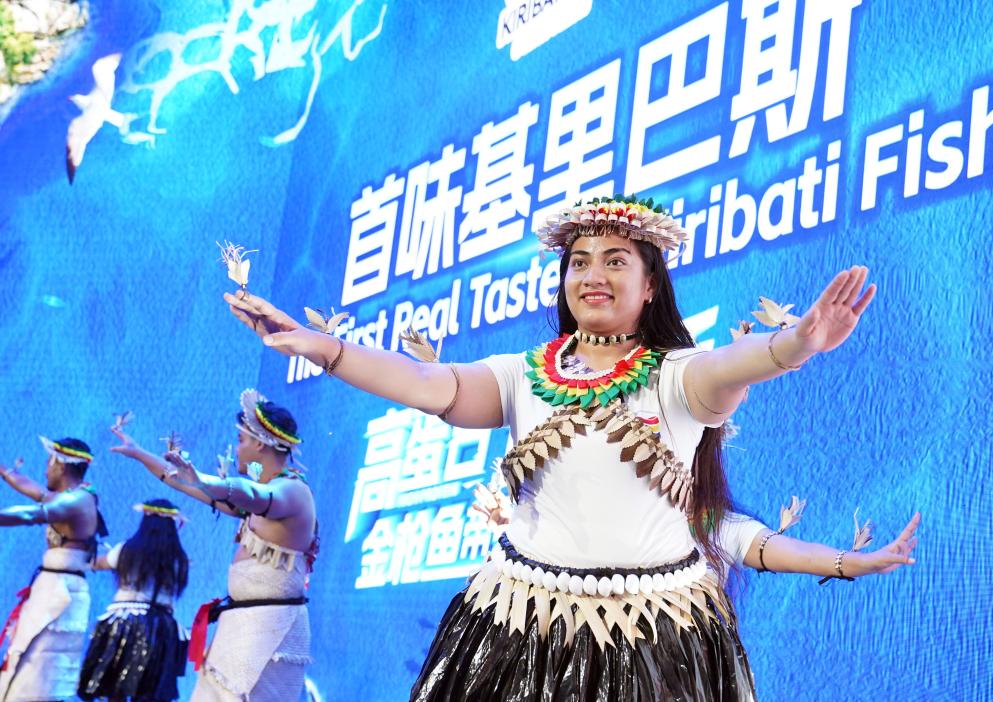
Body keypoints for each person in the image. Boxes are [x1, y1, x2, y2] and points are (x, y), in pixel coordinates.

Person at [222, 196, 921, 701]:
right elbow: (429, 385)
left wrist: (795, 344)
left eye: (616, 261)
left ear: (651, 285)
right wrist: (323, 348)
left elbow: (733, 364)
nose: (593, 274)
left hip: (654, 644)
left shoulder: (679, 378)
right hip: (521, 631)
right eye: (579, 261)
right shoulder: (523, 374)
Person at [108, 391, 317, 701]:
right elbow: (181, 481)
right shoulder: (259, 498)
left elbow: (250, 493)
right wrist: (139, 453)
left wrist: (203, 480)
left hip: (271, 630)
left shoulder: (292, 492)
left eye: (241, 440)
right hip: (243, 626)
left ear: (260, 443)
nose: (237, 448)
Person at [0, 436, 106, 702]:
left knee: (37, 674)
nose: (45, 469)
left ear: (60, 463)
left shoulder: (77, 501)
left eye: (49, 461)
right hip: (54, 588)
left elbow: (30, 514)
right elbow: (34, 490)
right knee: (25, 664)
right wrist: (4, 470)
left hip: (60, 595)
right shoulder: (69, 498)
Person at [78, 497, 190, 702]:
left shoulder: (126, 549)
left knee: (115, 685)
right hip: (160, 628)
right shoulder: (179, 559)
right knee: (149, 688)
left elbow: (96, 563)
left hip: (123, 620)